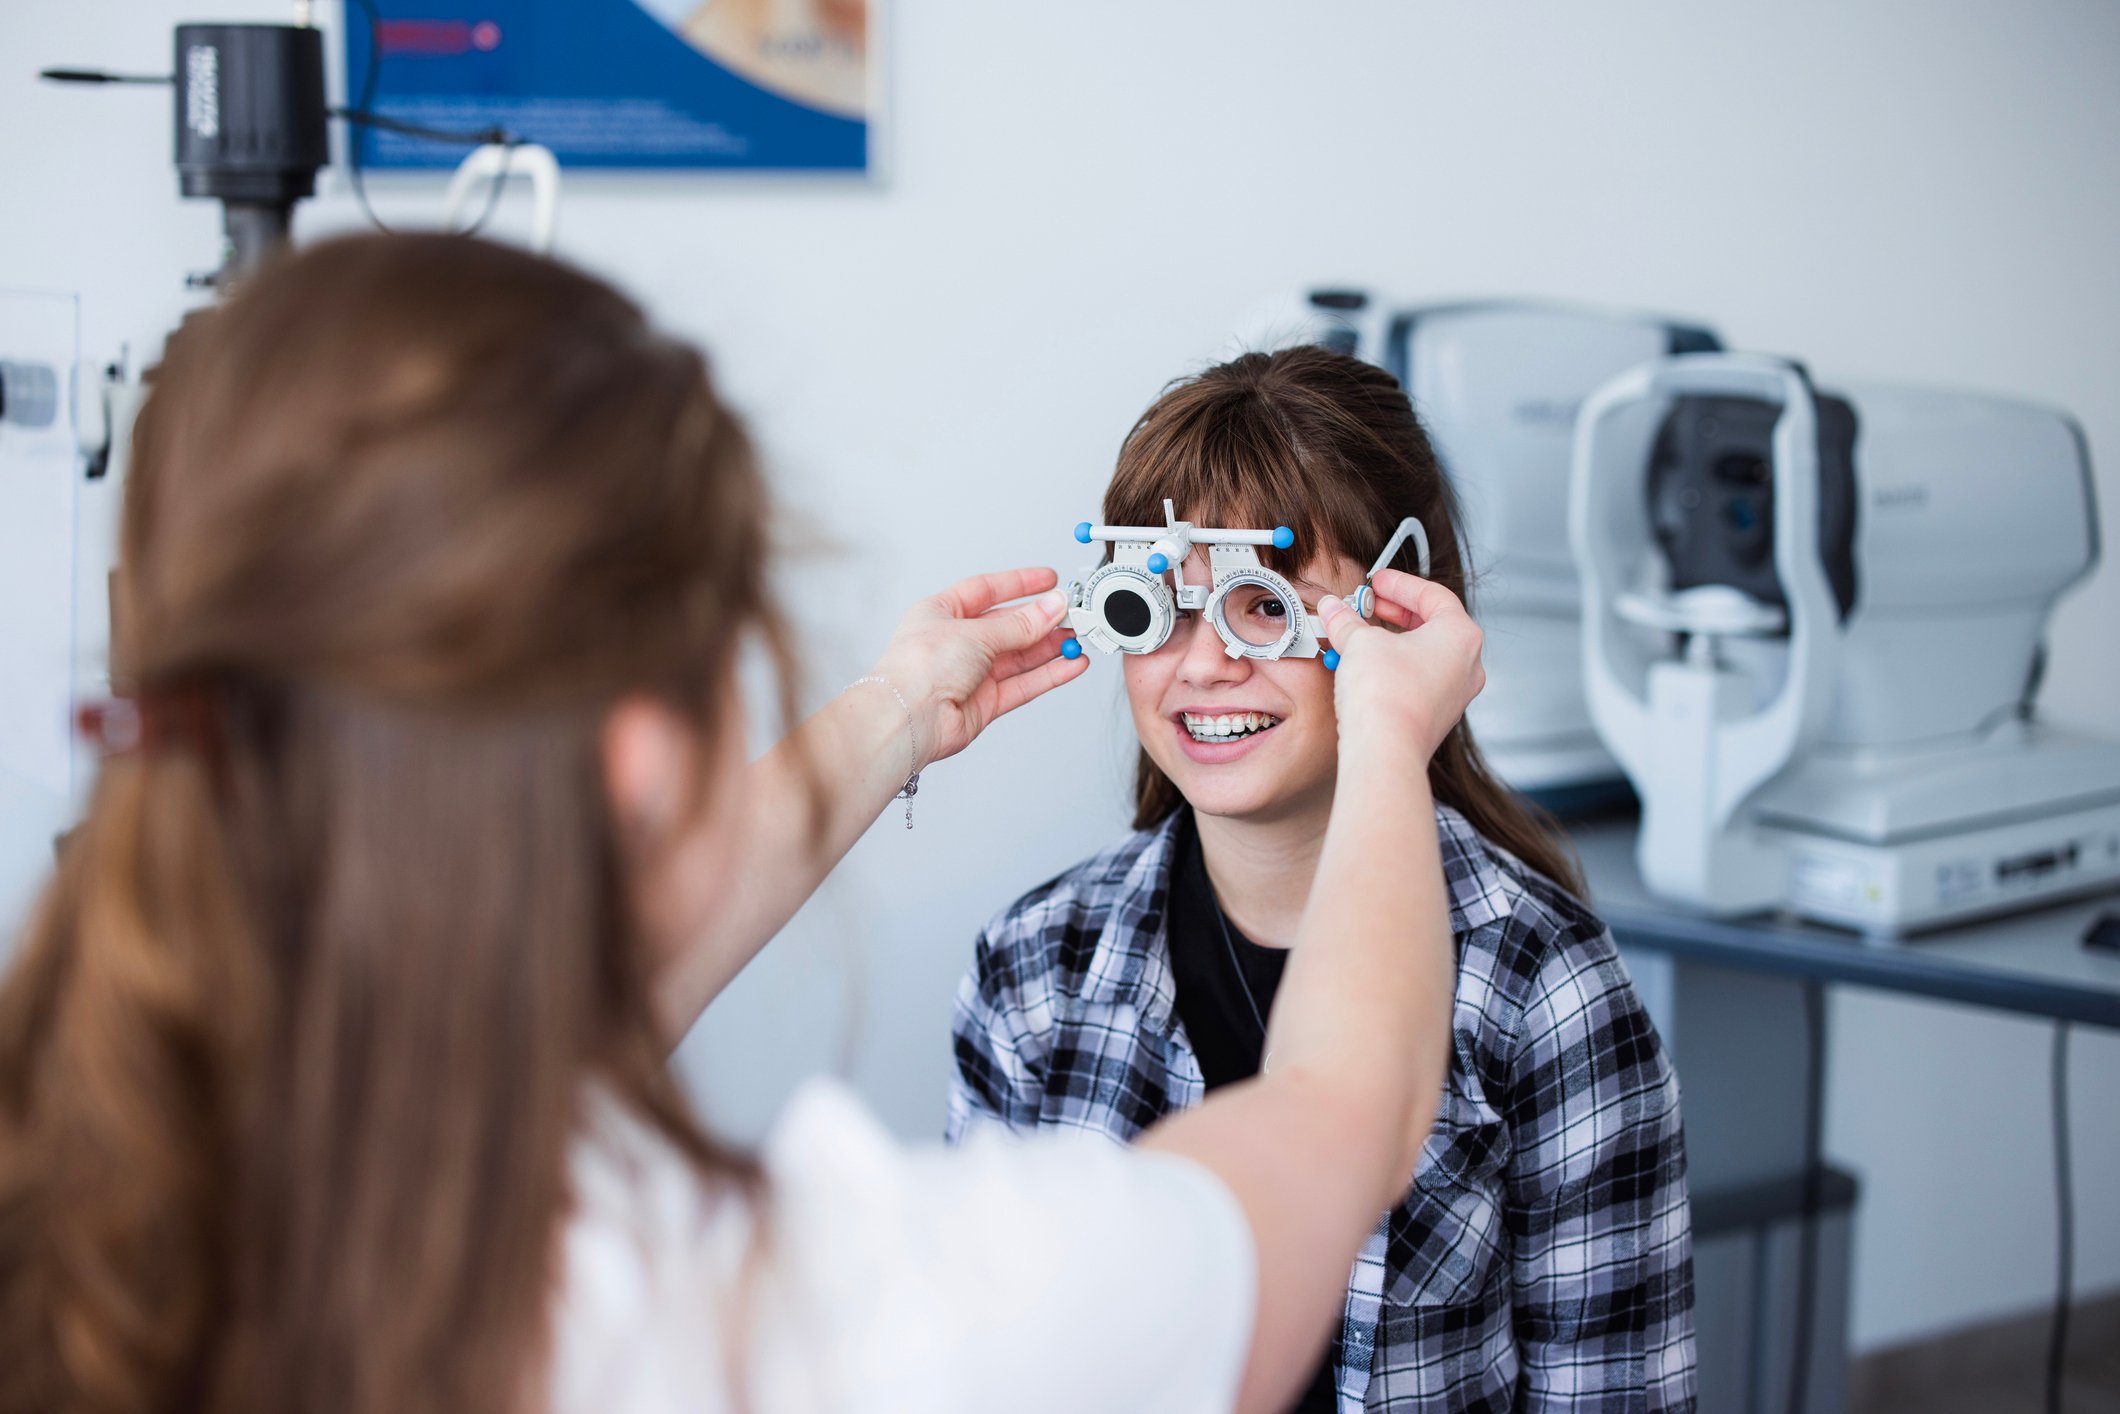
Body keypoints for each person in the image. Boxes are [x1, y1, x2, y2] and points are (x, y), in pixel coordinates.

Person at [0, 235, 1491, 1414]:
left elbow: (574, 998)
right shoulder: (788, 1315)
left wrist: (905, 708)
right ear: (647, 753)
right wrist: (1386, 736)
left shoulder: (97, 1173)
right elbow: (1342, 1112)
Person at [949, 346, 1696, 1412]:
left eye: (1263, 606)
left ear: (1398, 619)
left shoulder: (1542, 986)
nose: (1202, 663)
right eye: (1157, 604)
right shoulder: (1034, 966)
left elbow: (1616, 1390)